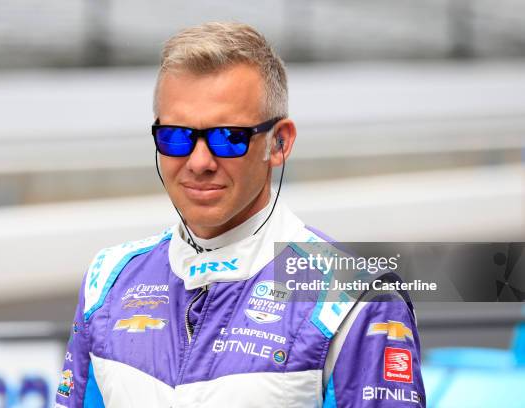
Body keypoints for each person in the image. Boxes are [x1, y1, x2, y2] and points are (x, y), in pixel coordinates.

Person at [55, 22, 426, 407]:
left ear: (279, 143)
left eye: (228, 137)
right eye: (176, 136)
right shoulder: (108, 279)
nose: (199, 162)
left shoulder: (356, 298)